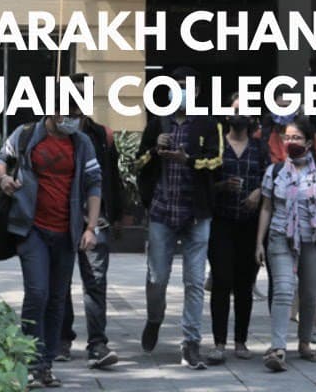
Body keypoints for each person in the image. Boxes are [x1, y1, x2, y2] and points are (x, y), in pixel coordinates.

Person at [0, 108, 103, 389]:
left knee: (56, 299)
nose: (75, 120)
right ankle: (31, 362)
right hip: (31, 229)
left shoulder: (82, 143)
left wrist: (90, 228)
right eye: (70, 113)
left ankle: (46, 365)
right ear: (54, 111)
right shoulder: (27, 134)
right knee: (37, 293)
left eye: (79, 114)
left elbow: (94, 184)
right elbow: (0, 159)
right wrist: (3, 178)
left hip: (67, 233)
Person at [136, 66, 223, 369]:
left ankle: (191, 342)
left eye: (186, 86)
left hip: (196, 214)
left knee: (194, 282)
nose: (181, 90)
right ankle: (154, 318)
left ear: (196, 91)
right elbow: (138, 162)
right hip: (162, 211)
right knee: (157, 278)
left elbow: (216, 160)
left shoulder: (209, 123)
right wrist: (154, 149)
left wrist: (188, 159)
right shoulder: (158, 122)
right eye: (176, 85)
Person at [256, 116, 316, 373]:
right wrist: (259, 242)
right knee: (283, 290)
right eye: (287, 137)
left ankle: (304, 343)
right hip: (280, 236)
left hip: (314, 239)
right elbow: (266, 208)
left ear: (309, 143)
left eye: (296, 138)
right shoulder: (275, 172)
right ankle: (278, 348)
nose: (290, 142)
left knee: (309, 293)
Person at [56, 73, 123, 369]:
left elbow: (111, 177)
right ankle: (62, 339)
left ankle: (97, 343)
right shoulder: (53, 131)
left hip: (95, 219)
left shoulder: (101, 135)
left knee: (95, 282)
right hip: (59, 218)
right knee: (60, 282)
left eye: (85, 94)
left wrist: (115, 214)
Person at [207, 94, 268, 364]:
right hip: (221, 222)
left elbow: (271, 179)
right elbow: (204, 182)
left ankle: (241, 341)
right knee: (222, 280)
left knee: (245, 284)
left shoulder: (259, 148)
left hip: (250, 224)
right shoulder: (217, 146)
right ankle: (219, 343)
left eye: (244, 111)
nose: (239, 115)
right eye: (235, 110)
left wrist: (259, 192)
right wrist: (222, 186)